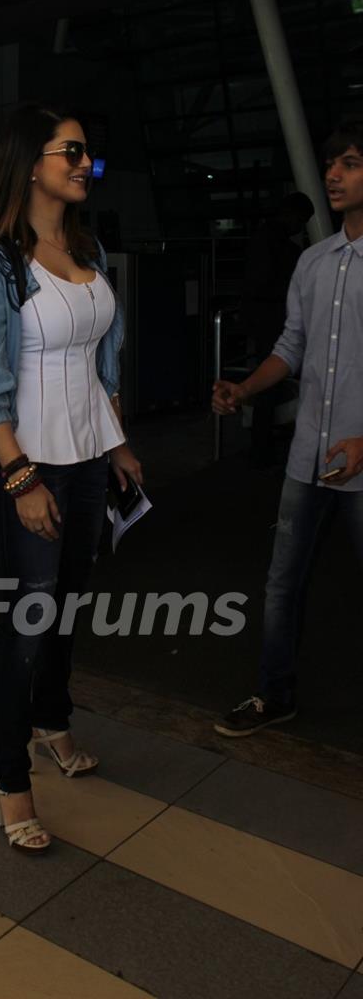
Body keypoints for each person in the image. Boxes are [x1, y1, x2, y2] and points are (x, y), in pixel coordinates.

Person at [0, 103, 142, 852]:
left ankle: (52, 721)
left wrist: (119, 444)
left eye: (87, 155)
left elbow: (105, 363)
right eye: (70, 151)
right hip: (28, 467)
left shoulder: (87, 248)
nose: (82, 164)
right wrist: (21, 478)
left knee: (66, 609)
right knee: (26, 626)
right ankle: (9, 776)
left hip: (90, 460)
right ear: (30, 162)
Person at [212, 121, 363, 737]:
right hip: (309, 458)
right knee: (282, 583)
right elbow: (291, 346)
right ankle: (274, 695)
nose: (333, 174)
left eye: (349, 163)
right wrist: (245, 388)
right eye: (331, 163)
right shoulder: (313, 261)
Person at [240, 192, 314, 467]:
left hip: (265, 321)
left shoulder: (266, 239)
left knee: (266, 385)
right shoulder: (281, 247)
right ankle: (262, 447)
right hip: (271, 321)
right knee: (268, 387)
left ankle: (262, 446)